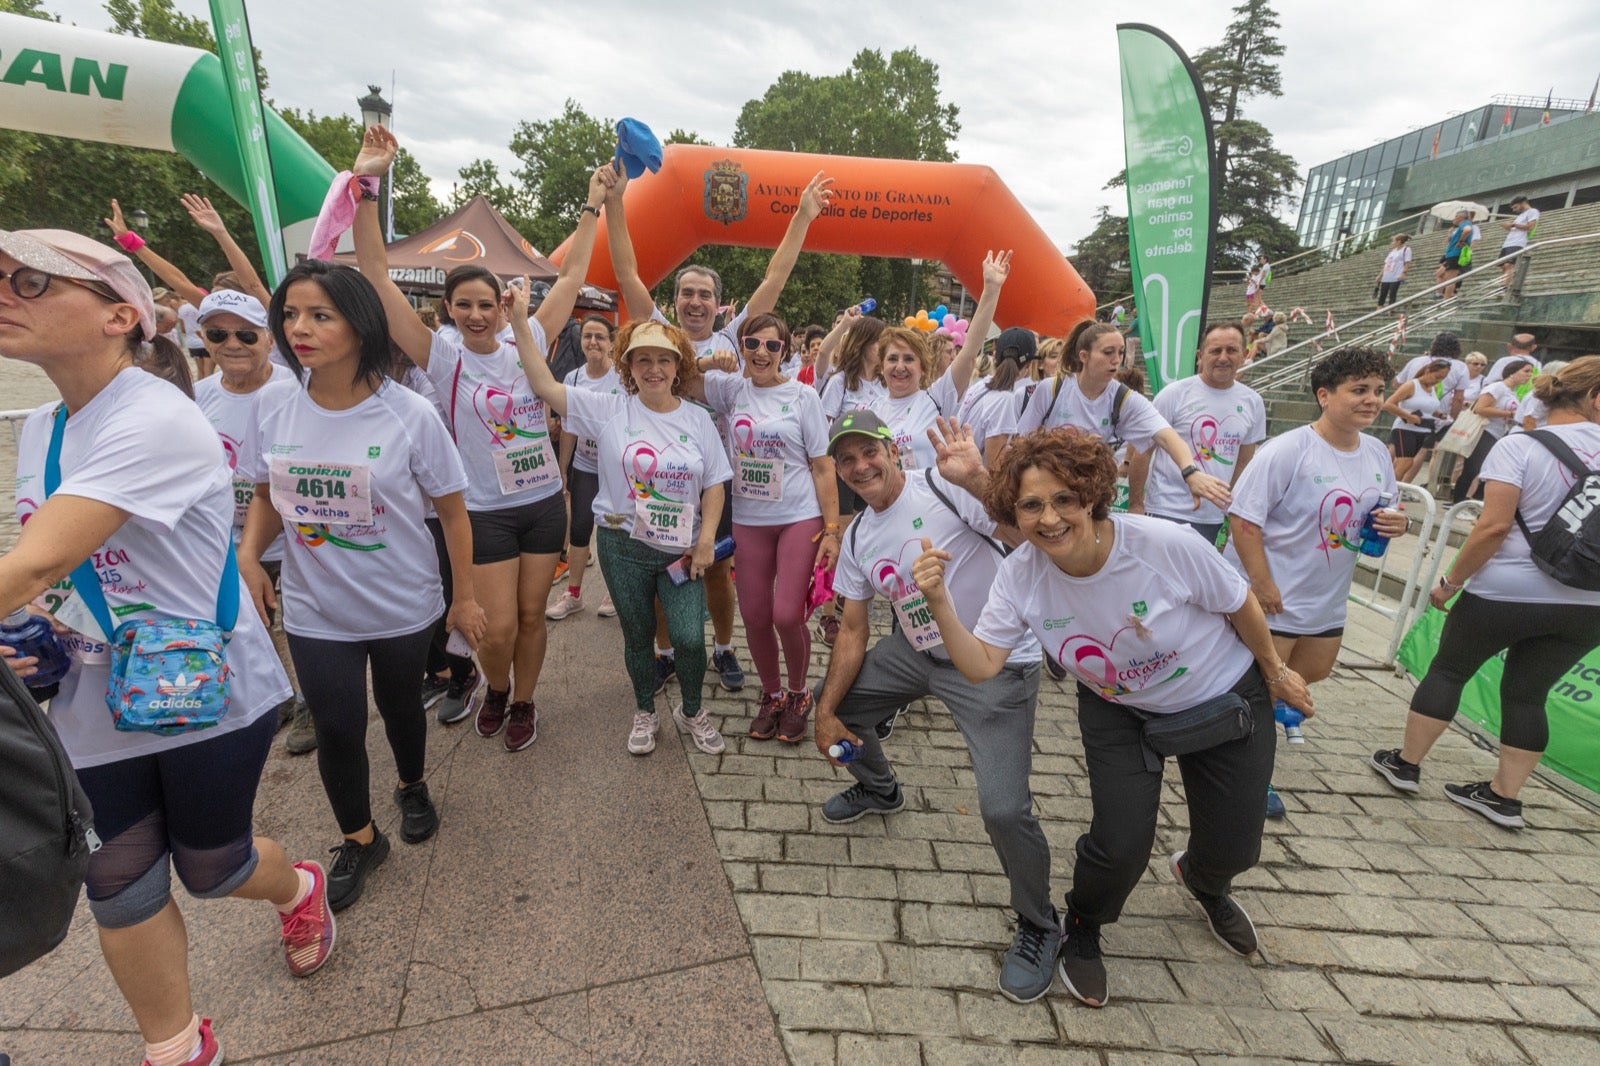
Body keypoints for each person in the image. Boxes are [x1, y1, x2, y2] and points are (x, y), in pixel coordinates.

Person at [0, 228, 334, 1066]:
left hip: (202, 685)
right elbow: (49, 572)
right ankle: (180, 1050)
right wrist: (29, 628)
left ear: (122, 314)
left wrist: (30, 586)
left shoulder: (157, 417)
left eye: (35, 280)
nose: (8, 290)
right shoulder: (39, 427)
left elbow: (40, 555)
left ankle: (298, 885)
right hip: (88, 696)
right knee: (116, 879)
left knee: (213, 865)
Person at [914, 428, 1312, 1008]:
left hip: (1224, 694)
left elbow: (1237, 601)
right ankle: (1083, 924)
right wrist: (940, 602)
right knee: (1119, 845)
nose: (1049, 519)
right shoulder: (1020, 574)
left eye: (1064, 500)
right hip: (1118, 709)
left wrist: (1276, 672)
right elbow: (980, 665)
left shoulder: (1160, 543)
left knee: (1236, 845)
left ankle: (1204, 879)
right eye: (1031, 505)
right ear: (1012, 511)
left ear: (1092, 497)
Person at [236, 259, 485, 912]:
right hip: (317, 609)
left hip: (403, 605)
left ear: (360, 323)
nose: (300, 328)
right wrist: (247, 554)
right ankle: (359, 837)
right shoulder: (275, 406)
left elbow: (454, 513)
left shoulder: (408, 415)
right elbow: (265, 493)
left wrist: (462, 599)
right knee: (340, 727)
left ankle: (411, 784)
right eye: (290, 314)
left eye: (321, 315)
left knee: (402, 708)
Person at [351, 126, 605, 751]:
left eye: (484, 304)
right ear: (449, 310)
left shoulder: (532, 340)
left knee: (528, 618)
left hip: (543, 504)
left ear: (502, 305)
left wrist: (594, 203)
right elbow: (378, 278)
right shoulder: (441, 356)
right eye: (462, 304)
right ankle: (494, 685)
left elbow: (573, 273)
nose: (474, 314)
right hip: (483, 511)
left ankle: (524, 701)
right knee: (493, 632)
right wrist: (367, 184)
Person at [810, 413, 1060, 1003]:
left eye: (867, 451)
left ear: (892, 450)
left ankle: (1040, 923)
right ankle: (879, 788)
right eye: (846, 460)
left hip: (994, 661)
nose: (859, 466)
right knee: (845, 706)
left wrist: (976, 477)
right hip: (917, 653)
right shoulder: (858, 536)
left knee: (1003, 809)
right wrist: (825, 711)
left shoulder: (940, 488)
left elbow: (1024, 533)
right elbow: (851, 629)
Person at [605, 167, 834, 692]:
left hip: (721, 479)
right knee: (664, 570)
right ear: (677, 299)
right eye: (686, 292)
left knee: (714, 572)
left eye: (705, 294)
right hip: (663, 475)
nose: (694, 301)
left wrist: (802, 215)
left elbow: (775, 276)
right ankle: (666, 652)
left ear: (719, 304)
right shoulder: (658, 335)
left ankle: (725, 649)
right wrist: (616, 204)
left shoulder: (738, 338)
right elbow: (627, 275)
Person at [1372, 357, 1600, 828]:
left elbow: (1492, 526)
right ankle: (1504, 797)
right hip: (1587, 603)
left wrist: (1451, 582)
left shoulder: (1521, 446)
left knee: (1451, 669)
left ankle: (1406, 764)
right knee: (1528, 695)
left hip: (1505, 590)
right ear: (1595, 398)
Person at [516, 310, 732, 757]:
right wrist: (520, 321)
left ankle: (691, 710)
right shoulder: (609, 409)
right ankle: (644, 711)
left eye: (664, 360)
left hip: (682, 549)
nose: (654, 369)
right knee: (637, 635)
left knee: (690, 637)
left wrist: (707, 538)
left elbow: (714, 485)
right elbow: (543, 384)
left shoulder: (698, 420)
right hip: (622, 545)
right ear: (628, 367)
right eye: (643, 360)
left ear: (679, 366)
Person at [1225, 348, 1406, 750]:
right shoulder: (1288, 450)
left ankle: (1264, 732)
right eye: (1359, 389)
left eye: (1378, 390)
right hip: (1276, 595)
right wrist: (1262, 583)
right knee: (1264, 682)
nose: (1372, 400)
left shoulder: (1376, 452)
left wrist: (1400, 523)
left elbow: (1387, 507)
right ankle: (1251, 768)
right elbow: (1243, 519)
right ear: (1324, 396)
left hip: (1326, 598)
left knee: (1312, 671)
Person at [699, 313, 839, 741]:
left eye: (772, 346)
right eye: (753, 344)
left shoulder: (803, 396)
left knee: (785, 613)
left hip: (799, 517)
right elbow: (673, 374)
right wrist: (709, 363)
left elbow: (821, 465)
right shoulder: (730, 389)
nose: (762, 353)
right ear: (741, 346)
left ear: (785, 351)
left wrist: (832, 529)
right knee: (755, 616)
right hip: (749, 519)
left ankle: (799, 693)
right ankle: (773, 694)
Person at [190, 289, 314, 752]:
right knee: (258, 622)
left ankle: (310, 704)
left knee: (296, 624)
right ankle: (283, 693)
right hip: (225, 540)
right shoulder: (197, 397)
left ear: (268, 337)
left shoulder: (297, 388)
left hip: (294, 535)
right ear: (204, 337)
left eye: (245, 333)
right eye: (218, 334)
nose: (232, 344)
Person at [1016, 320, 1234, 514]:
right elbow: (1021, 445)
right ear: (1084, 356)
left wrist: (1191, 472)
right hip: (1044, 494)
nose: (1116, 360)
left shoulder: (1123, 398)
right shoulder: (1052, 389)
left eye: (1120, 353)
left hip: (1087, 498)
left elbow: (1167, 436)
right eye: (1108, 352)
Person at [1142, 322, 1266, 545]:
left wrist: (1232, 511)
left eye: (1232, 350)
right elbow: (1141, 449)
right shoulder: (1174, 395)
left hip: (1213, 517)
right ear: (1200, 356)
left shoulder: (1253, 402)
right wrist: (1135, 503)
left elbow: (1244, 462)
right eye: (1215, 351)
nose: (1223, 358)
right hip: (1167, 510)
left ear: (1245, 354)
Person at [548, 314, 622, 621]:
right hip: (585, 465)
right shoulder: (573, 379)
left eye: (600, 337)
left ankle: (615, 592)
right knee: (579, 529)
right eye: (587, 336)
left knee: (615, 530)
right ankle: (574, 595)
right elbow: (569, 428)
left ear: (611, 343)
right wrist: (563, 469)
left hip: (616, 470)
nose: (593, 342)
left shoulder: (621, 376)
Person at [1453, 359, 1536, 502]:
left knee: (1484, 468)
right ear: (1512, 372)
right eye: (1526, 371)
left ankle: (1473, 499)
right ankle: (1457, 501)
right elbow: (1480, 408)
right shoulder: (1497, 388)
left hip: (1498, 432)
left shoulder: (1512, 392)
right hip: (1485, 430)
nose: (1529, 376)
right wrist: (1509, 414)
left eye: (1531, 372)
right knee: (1472, 468)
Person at [1382, 359, 1452, 481]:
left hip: (1423, 429)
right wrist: (1408, 416)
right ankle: (1390, 490)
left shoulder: (1433, 389)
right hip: (1406, 428)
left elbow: (1428, 407)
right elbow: (1388, 404)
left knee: (1406, 463)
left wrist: (1440, 415)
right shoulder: (1411, 385)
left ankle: (1391, 487)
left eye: (1442, 378)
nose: (1438, 380)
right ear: (1428, 371)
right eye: (1437, 376)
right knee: (1405, 462)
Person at [1497, 194, 1540, 292]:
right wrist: (1508, 226)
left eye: (1516, 207)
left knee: (1509, 265)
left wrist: (1513, 224)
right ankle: (1503, 286)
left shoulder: (1533, 212)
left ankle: (1504, 288)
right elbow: (1516, 228)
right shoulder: (1520, 216)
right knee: (1504, 266)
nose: (1514, 210)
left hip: (1517, 243)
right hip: (1508, 243)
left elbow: (1530, 227)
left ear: (1522, 203)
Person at [1435, 209, 1474, 298]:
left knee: (1450, 279)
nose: (1454, 218)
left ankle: (1446, 300)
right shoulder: (1459, 227)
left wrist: (1461, 241)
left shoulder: (1465, 223)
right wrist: (1450, 233)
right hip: (1451, 254)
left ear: (1460, 217)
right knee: (1441, 274)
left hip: (1455, 254)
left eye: (1456, 216)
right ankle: (1442, 296)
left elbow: (1467, 230)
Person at [1375, 233, 1412, 308]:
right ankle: (1379, 308)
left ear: (1399, 241)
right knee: (1383, 293)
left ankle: (1390, 309)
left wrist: (1403, 273)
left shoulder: (1406, 249)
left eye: (1394, 241)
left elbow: (1407, 263)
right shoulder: (1392, 251)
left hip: (1396, 276)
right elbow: (1386, 264)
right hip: (1386, 276)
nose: (1392, 243)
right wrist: (1380, 275)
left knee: (1392, 293)